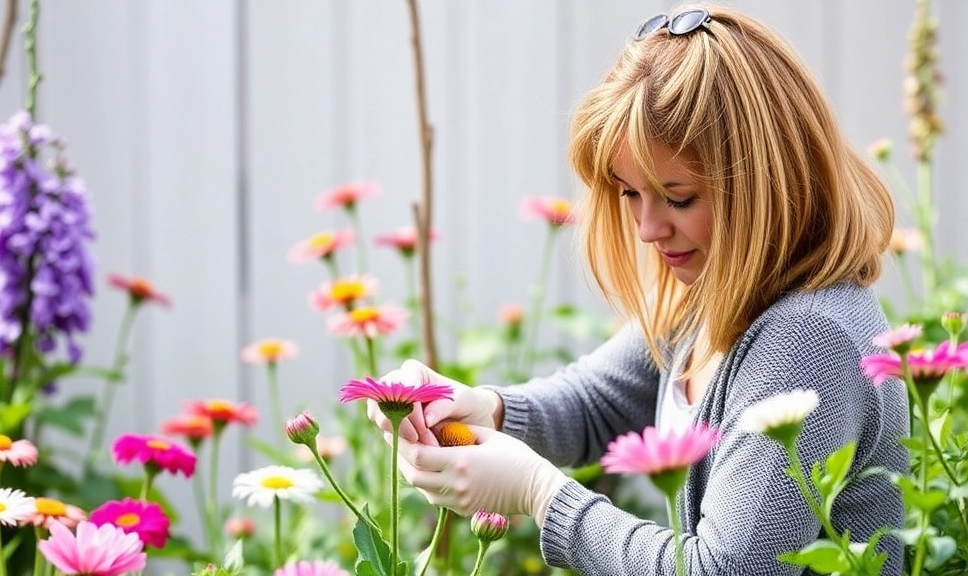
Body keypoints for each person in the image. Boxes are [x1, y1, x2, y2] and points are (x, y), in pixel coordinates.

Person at [368, 3, 909, 575]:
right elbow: (600, 402)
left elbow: (723, 570)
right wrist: (483, 409)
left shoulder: (808, 340)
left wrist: (542, 496)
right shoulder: (718, 289)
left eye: (678, 198)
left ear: (765, 185)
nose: (648, 230)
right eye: (630, 193)